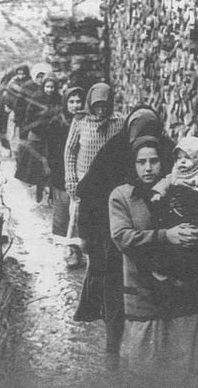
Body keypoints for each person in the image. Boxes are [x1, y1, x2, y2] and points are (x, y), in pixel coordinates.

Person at [109, 134, 198, 378]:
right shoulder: (122, 196)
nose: (148, 168)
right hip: (145, 295)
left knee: (183, 371)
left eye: (154, 161)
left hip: (186, 294)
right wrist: (165, 236)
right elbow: (122, 238)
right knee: (145, 374)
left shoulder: (183, 186)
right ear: (132, 163)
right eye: (141, 162)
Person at [73, 106, 171, 371]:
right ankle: (113, 349)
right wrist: (86, 235)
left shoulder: (165, 151)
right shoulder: (113, 152)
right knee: (116, 293)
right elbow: (88, 193)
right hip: (113, 236)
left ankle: (153, 354)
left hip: (151, 235)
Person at [148, 136, 198, 293]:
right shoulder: (176, 172)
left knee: (191, 244)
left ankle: (197, 278)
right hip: (174, 214)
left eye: (187, 158)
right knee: (173, 245)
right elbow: (167, 181)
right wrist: (158, 192)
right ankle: (167, 272)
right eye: (179, 158)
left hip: (193, 213)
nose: (182, 162)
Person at [63, 82, 124, 269]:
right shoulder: (80, 121)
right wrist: (71, 180)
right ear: (90, 104)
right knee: (77, 215)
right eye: (97, 106)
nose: (100, 111)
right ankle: (73, 251)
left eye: (104, 106)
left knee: (102, 218)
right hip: (83, 178)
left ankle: (98, 254)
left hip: (107, 180)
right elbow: (70, 152)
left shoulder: (119, 122)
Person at [45, 86, 85, 265]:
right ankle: (69, 251)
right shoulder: (57, 123)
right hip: (62, 176)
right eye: (71, 101)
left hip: (82, 175)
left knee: (79, 216)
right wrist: (59, 175)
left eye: (79, 101)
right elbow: (52, 153)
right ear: (65, 103)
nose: (75, 105)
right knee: (64, 215)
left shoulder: (87, 122)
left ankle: (79, 250)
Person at [14, 75, 62, 202]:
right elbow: (29, 117)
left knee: (53, 164)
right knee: (36, 164)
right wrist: (39, 127)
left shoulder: (59, 99)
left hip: (53, 136)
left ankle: (52, 191)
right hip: (38, 135)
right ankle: (39, 189)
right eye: (47, 87)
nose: (50, 90)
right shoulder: (36, 97)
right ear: (43, 86)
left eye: (52, 87)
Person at [0, 64, 31, 154]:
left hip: (25, 112)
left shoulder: (30, 83)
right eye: (19, 74)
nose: (21, 76)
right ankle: (12, 149)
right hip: (13, 111)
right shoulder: (11, 84)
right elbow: (5, 101)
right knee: (12, 132)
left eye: (23, 74)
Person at [13, 62, 53, 144]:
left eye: (43, 77)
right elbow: (19, 105)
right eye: (38, 77)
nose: (40, 79)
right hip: (25, 121)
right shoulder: (27, 86)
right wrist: (19, 121)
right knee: (24, 145)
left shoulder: (49, 88)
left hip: (41, 124)